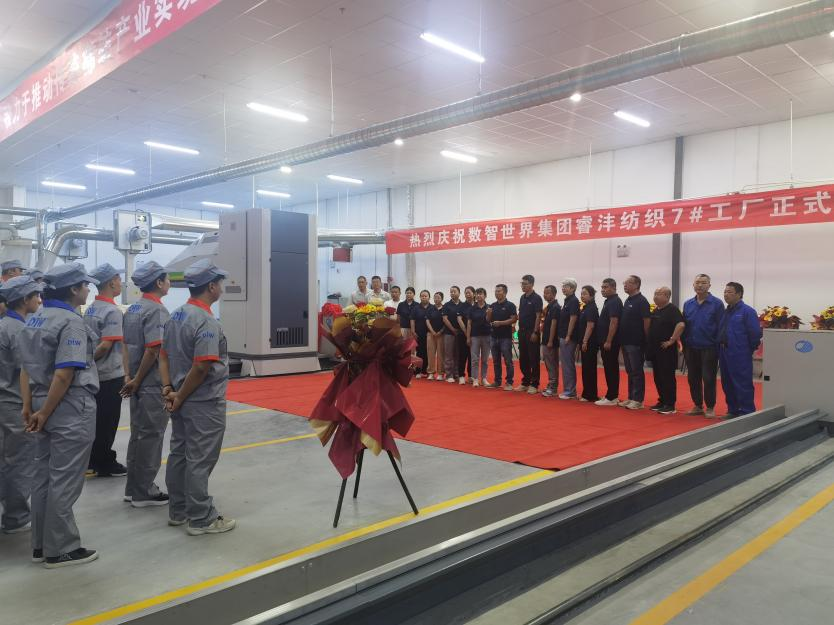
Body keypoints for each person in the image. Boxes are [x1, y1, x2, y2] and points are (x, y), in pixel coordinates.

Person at [19, 263, 100, 568]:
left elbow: (25, 368)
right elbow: (65, 373)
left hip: (41, 400)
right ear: (73, 289)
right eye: (85, 285)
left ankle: (41, 544)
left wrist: (30, 407)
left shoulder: (35, 318)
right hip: (67, 405)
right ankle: (61, 549)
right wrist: (46, 411)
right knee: (65, 478)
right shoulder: (71, 322)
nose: (88, 289)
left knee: (42, 476)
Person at [159, 259, 235, 535]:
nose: (222, 287)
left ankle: (178, 510)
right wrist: (179, 395)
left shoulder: (176, 315)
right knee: (200, 459)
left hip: (180, 398)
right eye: (220, 283)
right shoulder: (206, 321)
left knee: (180, 453)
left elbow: (163, 356)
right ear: (211, 286)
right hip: (203, 401)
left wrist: (169, 390)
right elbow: (202, 366)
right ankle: (201, 518)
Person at [120, 261, 171, 508]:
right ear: (159, 282)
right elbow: (153, 350)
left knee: (138, 435)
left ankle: (133, 488)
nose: (169, 283)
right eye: (167, 279)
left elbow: (125, 346)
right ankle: (144, 491)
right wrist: (139, 380)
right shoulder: (157, 311)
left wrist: (129, 377)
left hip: (137, 382)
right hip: (150, 383)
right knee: (151, 437)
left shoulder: (133, 309)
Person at [0, 276, 43, 535]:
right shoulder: (19, 330)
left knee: (5, 459)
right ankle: (16, 517)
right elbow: (28, 371)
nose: (39, 299)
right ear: (25, 300)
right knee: (20, 461)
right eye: (35, 295)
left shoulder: (3, 325)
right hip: (15, 403)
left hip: (3, 400)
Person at [83, 263, 129, 478]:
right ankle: (104, 462)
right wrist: (89, 361)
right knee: (108, 422)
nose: (121, 283)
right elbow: (105, 346)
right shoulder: (112, 311)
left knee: (95, 421)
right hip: (109, 376)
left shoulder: (91, 308)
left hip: (93, 375)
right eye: (119, 279)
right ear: (111, 283)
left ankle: (91, 460)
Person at [682, 274, 724, 418]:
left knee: (708, 378)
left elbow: (721, 326)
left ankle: (710, 407)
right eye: (697, 282)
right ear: (693, 285)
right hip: (691, 346)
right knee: (693, 378)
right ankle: (698, 405)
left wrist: (718, 344)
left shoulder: (717, 304)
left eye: (703, 283)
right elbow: (684, 325)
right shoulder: (688, 304)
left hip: (709, 347)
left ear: (709, 286)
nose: (700, 285)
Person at [718, 282, 762, 418]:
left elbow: (755, 333)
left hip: (740, 353)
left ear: (739, 294)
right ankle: (733, 410)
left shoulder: (747, 311)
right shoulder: (726, 312)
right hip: (724, 352)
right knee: (727, 382)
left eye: (729, 292)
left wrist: (748, 349)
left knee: (742, 383)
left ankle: (747, 412)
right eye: (725, 292)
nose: (726, 295)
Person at [647, 287, 685, 415]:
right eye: (655, 293)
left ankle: (670, 404)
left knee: (667, 377)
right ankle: (662, 401)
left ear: (667, 296)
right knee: (658, 377)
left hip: (666, 350)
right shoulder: (656, 310)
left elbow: (681, 325)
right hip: (655, 349)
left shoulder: (672, 309)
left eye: (659, 294)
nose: (655, 296)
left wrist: (671, 340)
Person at [619, 275, 651, 410]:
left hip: (636, 342)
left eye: (627, 283)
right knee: (630, 371)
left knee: (637, 371)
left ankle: (638, 400)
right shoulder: (628, 300)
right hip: (625, 341)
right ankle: (631, 397)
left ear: (636, 285)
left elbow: (646, 321)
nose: (625, 285)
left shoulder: (642, 301)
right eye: (624, 283)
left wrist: (646, 339)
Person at [595, 278, 623, 406]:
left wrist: (608, 340)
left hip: (610, 342)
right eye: (602, 287)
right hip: (605, 341)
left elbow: (614, 322)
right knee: (608, 368)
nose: (603, 290)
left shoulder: (614, 302)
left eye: (605, 287)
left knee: (611, 368)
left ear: (613, 287)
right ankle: (611, 395)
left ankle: (612, 397)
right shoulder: (609, 301)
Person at [486, 284, 517, 391]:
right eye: (496, 291)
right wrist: (488, 314)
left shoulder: (510, 305)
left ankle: (509, 382)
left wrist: (500, 323)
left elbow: (514, 319)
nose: (497, 293)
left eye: (499, 291)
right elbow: (488, 320)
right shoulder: (492, 305)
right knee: (496, 361)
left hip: (505, 337)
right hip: (494, 336)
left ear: (505, 292)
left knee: (508, 361)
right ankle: (497, 381)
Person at [517, 274, 543, 394]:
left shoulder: (537, 298)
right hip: (521, 331)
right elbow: (520, 314)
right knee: (523, 358)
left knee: (533, 358)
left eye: (525, 284)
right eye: (522, 283)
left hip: (531, 332)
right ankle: (525, 382)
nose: (522, 286)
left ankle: (534, 384)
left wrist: (535, 332)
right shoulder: (522, 298)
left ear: (531, 284)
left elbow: (538, 316)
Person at [558, 278, 581, 400]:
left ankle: (570, 391)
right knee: (565, 363)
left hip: (569, 338)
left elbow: (573, 319)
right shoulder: (567, 300)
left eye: (565, 286)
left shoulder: (573, 301)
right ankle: (568, 389)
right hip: (563, 336)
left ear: (572, 288)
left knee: (568, 364)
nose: (563, 288)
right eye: (562, 286)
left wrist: (568, 335)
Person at [578, 285, 600, 403]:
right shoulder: (586, 307)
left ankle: (590, 394)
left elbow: (590, 326)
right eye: (581, 294)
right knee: (586, 368)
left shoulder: (591, 308)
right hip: (585, 342)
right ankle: (587, 393)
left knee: (589, 368)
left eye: (585, 294)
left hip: (590, 343)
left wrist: (585, 341)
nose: (582, 296)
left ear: (591, 295)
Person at [466, 288, 491, 387]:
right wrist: (468, 337)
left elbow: (491, 321)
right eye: (477, 294)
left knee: (485, 359)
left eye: (481, 294)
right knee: (474, 359)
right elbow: (469, 324)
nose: (478, 296)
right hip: (475, 336)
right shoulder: (472, 308)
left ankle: (484, 378)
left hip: (487, 336)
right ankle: (475, 379)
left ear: (485, 296)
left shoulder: (489, 307)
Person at [540, 285, 561, 397]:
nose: (545, 295)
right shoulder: (549, 307)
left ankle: (553, 388)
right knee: (548, 364)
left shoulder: (555, 307)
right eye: (544, 293)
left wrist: (550, 340)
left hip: (550, 341)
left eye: (547, 293)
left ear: (554, 294)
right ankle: (551, 385)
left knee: (552, 364)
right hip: (545, 339)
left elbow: (554, 324)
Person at [442, 286, 464, 384]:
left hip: (460, 333)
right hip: (449, 333)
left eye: (454, 291)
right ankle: (449, 375)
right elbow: (445, 319)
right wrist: (453, 329)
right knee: (449, 355)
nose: (452, 293)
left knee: (458, 354)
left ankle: (456, 374)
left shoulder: (463, 305)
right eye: (451, 292)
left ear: (459, 293)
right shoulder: (447, 305)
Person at [410, 290, 432, 378]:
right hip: (419, 333)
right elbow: (412, 320)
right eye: (422, 296)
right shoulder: (416, 308)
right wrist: (413, 331)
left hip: (430, 334)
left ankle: (426, 370)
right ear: (420, 297)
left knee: (428, 352)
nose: (424, 297)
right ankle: (418, 371)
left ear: (429, 297)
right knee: (419, 352)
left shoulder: (432, 307)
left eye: (425, 296)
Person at [426, 292, 445, 381]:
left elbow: (446, 322)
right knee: (430, 354)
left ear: (442, 299)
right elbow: (427, 321)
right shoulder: (430, 308)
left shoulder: (445, 308)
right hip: (431, 334)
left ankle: (440, 373)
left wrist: (440, 331)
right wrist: (432, 331)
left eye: (438, 298)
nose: (436, 299)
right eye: (435, 297)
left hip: (441, 334)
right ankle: (431, 372)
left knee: (441, 354)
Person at [457, 286, 475, 384]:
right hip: (462, 334)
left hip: (475, 335)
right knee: (462, 355)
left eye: (469, 292)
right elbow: (459, 319)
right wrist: (466, 332)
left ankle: (471, 375)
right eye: (466, 293)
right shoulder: (461, 305)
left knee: (472, 356)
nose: (467, 295)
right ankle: (461, 376)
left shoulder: (477, 305)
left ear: (474, 294)